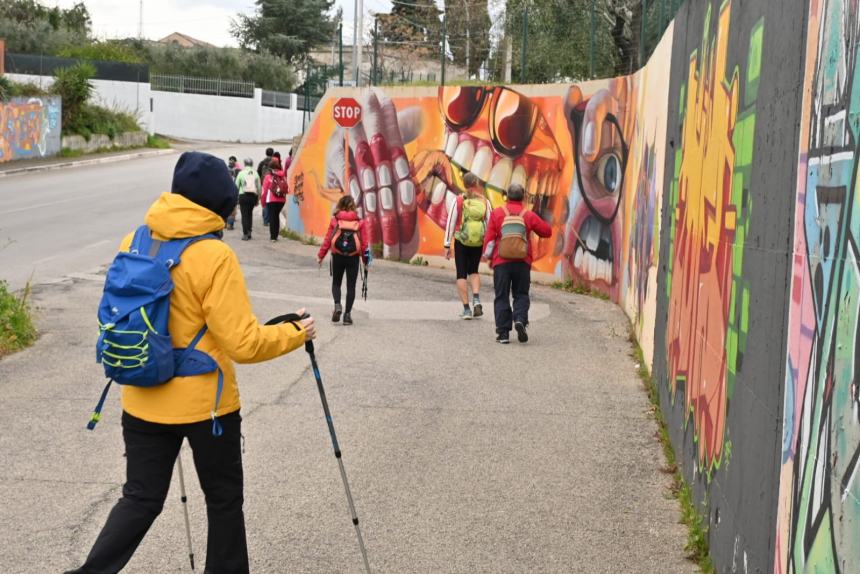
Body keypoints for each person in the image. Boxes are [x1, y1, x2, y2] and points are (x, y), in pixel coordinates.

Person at [65, 151, 316, 574]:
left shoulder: (136, 240)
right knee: (222, 502)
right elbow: (243, 343)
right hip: (208, 408)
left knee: (140, 499)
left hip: (141, 395)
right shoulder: (214, 256)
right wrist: (295, 333)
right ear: (218, 204)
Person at [482, 183, 552, 344]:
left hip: (501, 262)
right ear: (523, 197)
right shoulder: (528, 215)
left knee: (501, 296)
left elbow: (490, 238)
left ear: (507, 196)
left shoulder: (498, 213)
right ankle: (520, 319)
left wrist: (487, 256)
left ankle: (503, 333)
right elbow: (547, 232)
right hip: (522, 262)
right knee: (521, 294)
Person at [444, 172, 492, 320]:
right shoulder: (485, 202)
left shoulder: (458, 200)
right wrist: (489, 244)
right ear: (476, 184)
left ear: (464, 184)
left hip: (461, 241)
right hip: (477, 241)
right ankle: (476, 299)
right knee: (474, 271)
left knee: (461, 274)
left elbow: (451, 222)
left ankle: (466, 310)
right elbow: (490, 223)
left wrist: (447, 245)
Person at [316, 196, 369, 326]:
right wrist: (366, 261)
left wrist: (320, 255)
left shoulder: (335, 220)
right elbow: (364, 244)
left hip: (338, 256)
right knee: (351, 286)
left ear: (339, 205)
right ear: (353, 207)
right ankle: (347, 315)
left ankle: (337, 305)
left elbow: (328, 239)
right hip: (353, 257)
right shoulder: (360, 222)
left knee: (336, 283)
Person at [260, 155, 287, 242]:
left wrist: (263, 203)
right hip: (281, 200)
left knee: (272, 217)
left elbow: (264, 191)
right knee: (276, 216)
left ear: (270, 168)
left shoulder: (268, 177)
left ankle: (273, 237)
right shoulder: (283, 176)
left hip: (271, 200)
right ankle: (276, 235)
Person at [236, 157, 261, 240]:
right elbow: (259, 188)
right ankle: (249, 231)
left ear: (245, 164)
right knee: (250, 214)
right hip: (253, 196)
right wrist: (258, 199)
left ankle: (245, 234)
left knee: (244, 215)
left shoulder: (241, 173)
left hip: (243, 196)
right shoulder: (255, 173)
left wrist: (236, 199)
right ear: (252, 164)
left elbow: (236, 186)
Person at [257, 147, 274, 227]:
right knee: (271, 201)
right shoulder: (275, 163)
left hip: (264, 184)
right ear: (272, 153)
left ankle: (265, 220)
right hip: (273, 185)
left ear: (266, 153)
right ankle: (271, 219)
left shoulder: (262, 163)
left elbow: (258, 173)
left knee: (264, 202)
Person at [225, 156, 241, 230]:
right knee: (232, 208)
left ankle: (225, 223)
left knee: (225, 207)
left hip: (225, 190)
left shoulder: (225, 169)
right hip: (234, 190)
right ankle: (230, 225)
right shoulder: (238, 170)